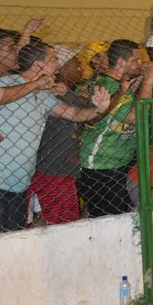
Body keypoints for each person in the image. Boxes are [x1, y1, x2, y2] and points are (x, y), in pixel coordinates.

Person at [0, 42, 110, 235]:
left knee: (12, 241)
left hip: (20, 184)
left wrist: (98, 109)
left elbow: (72, 113)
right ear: (38, 65)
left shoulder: (44, 95)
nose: (58, 64)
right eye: (53, 59)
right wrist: (35, 84)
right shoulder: (5, 82)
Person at [77, 40, 153, 218]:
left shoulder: (119, 84)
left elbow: (127, 103)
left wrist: (141, 78)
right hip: (100, 166)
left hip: (116, 164)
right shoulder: (107, 85)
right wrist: (149, 81)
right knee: (113, 219)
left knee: (121, 217)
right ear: (121, 62)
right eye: (136, 60)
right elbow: (136, 116)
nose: (140, 63)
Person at [28, 48, 87, 225]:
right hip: (51, 170)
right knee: (59, 223)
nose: (81, 68)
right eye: (76, 63)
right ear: (62, 67)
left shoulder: (65, 93)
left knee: (67, 220)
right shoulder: (52, 93)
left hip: (63, 169)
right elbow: (83, 114)